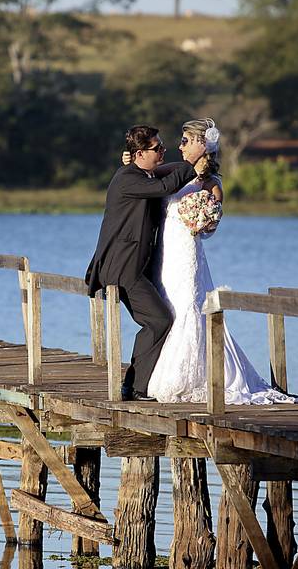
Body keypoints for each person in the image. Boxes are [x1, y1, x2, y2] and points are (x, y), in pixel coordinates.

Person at [127, 118, 298, 404]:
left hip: (187, 256)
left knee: (188, 308)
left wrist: (201, 220)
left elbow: (209, 230)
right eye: (180, 141)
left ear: (200, 144)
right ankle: (155, 374)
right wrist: (128, 160)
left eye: (185, 141)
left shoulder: (211, 183)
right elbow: (146, 174)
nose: (179, 147)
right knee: (167, 309)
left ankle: (190, 378)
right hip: (165, 257)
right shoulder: (177, 172)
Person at [85, 125, 206, 401]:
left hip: (134, 266)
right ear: (140, 153)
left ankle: (134, 384)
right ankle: (134, 386)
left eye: (163, 147)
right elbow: (166, 185)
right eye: (158, 148)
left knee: (156, 320)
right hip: (123, 267)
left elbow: (165, 173)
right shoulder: (129, 179)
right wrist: (190, 161)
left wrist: (195, 161)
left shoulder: (139, 172)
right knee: (159, 320)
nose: (163, 151)